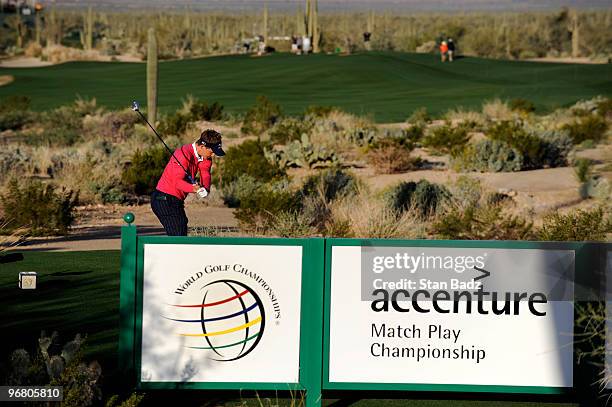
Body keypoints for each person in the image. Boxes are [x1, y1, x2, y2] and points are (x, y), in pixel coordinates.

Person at [151, 129, 225, 236]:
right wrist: (195, 189)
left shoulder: (205, 156)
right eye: (212, 151)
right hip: (163, 199)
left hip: (176, 200)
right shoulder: (183, 154)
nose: (213, 155)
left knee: (181, 230)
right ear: (202, 146)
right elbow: (177, 182)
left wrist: (205, 188)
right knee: (178, 233)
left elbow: (205, 173)